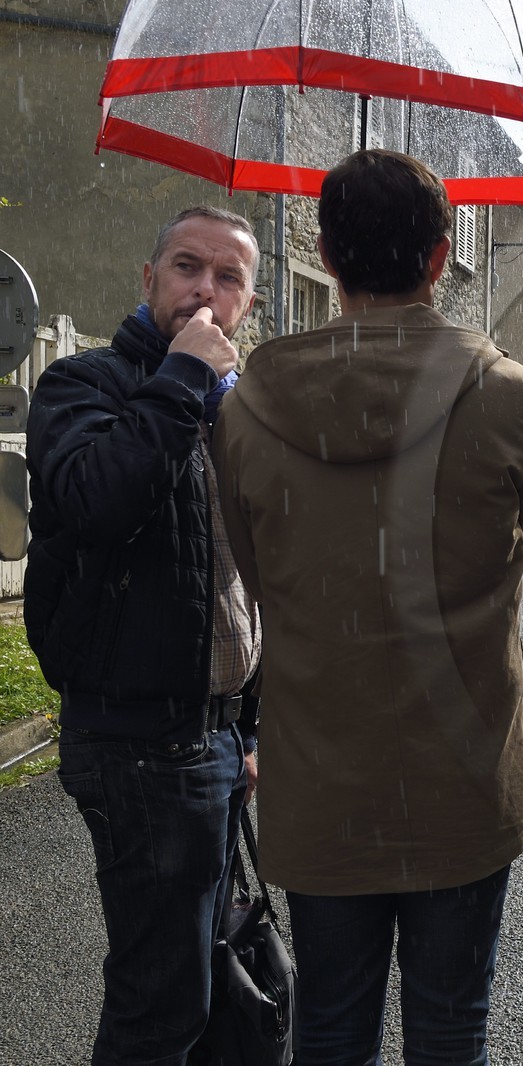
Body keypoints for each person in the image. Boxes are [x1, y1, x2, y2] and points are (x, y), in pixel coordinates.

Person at [212, 149, 523, 1063]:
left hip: (321, 786)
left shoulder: (244, 414)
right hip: (462, 782)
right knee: (451, 1031)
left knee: (330, 1033)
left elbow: (257, 572)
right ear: (440, 259)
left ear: (325, 255)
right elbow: (519, 541)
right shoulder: (511, 397)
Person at [24, 205, 262, 1062]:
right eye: (187, 267)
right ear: (149, 279)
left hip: (214, 737)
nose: (204, 290)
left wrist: (249, 729)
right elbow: (97, 501)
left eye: (228, 277)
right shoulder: (83, 385)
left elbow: (248, 583)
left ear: (248, 303)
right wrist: (183, 375)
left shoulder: (238, 411)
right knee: (160, 1005)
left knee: (200, 982)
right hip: (137, 746)